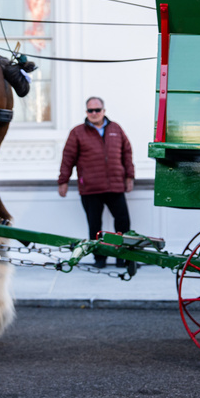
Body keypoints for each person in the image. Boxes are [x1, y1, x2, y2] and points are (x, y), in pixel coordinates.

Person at [58, 97, 135, 269]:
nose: (94, 113)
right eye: (90, 110)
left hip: (115, 186)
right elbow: (68, 158)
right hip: (90, 188)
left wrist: (129, 176)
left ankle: (121, 257)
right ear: (86, 112)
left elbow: (127, 153)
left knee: (122, 224)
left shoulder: (116, 129)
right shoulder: (77, 132)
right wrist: (63, 181)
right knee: (95, 226)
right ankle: (99, 259)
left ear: (104, 111)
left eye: (97, 110)